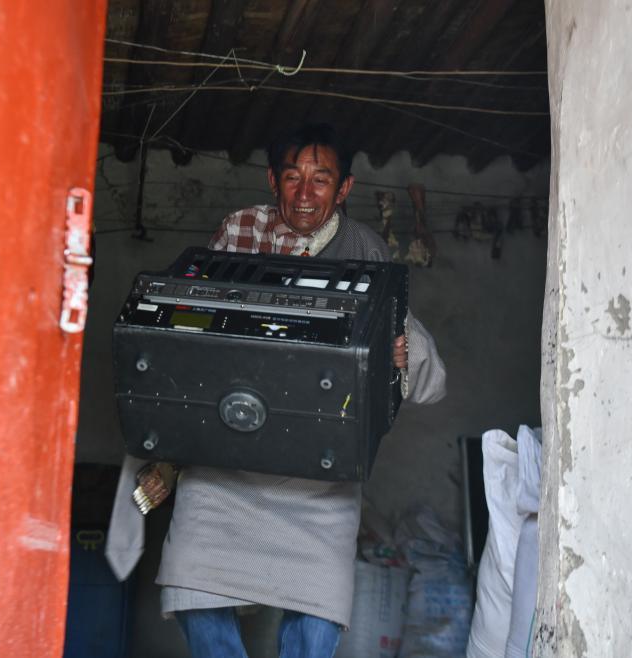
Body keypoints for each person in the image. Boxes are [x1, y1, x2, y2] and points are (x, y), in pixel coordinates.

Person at [108, 124, 446, 658]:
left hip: (319, 486)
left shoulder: (364, 248)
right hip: (224, 470)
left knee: (315, 623)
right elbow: (195, 332)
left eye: (321, 179)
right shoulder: (240, 231)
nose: (305, 193)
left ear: (344, 188)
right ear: (273, 181)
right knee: (195, 591)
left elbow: (413, 361)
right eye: (293, 177)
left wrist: (400, 353)